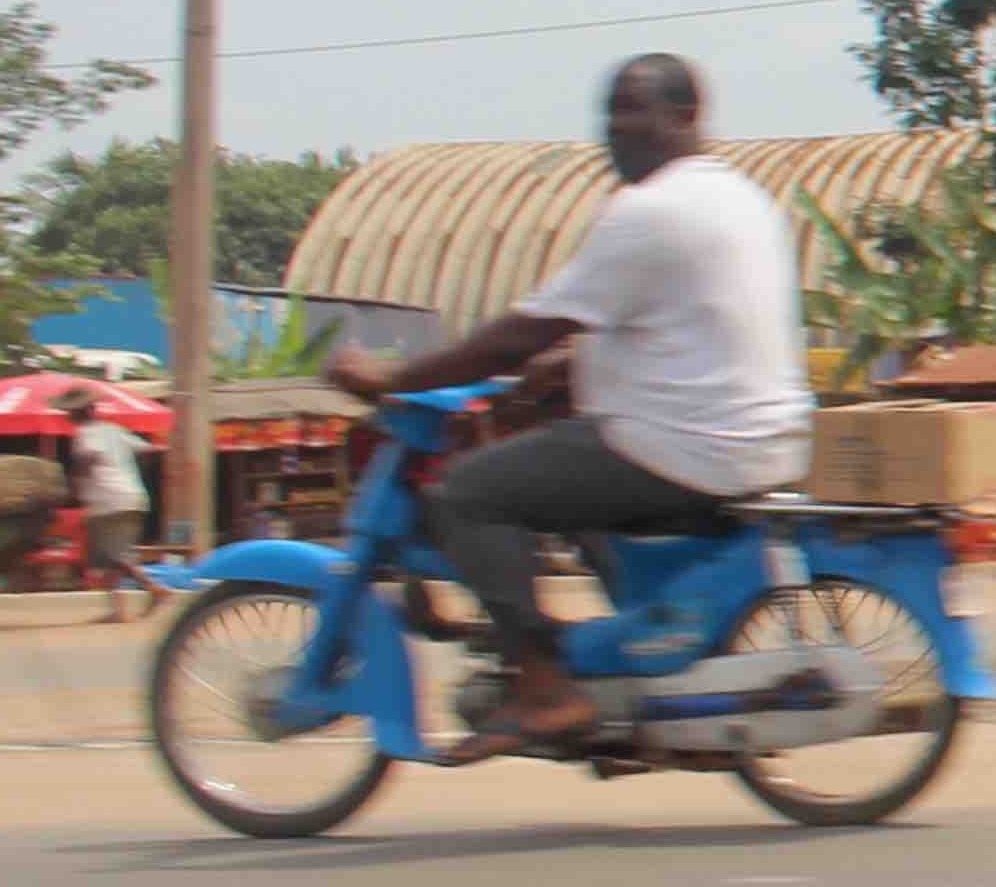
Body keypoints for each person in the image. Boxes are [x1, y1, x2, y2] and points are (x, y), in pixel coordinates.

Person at [327, 56, 811, 759]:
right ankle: (625, 663)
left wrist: (394, 379)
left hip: (686, 446)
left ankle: (544, 688)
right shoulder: (740, 199)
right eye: (610, 112)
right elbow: (682, 330)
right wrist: (561, 370)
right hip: (755, 439)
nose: (616, 128)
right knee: (555, 465)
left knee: (468, 494)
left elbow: (524, 331)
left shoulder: (651, 210)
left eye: (634, 109)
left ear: (685, 116)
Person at [56, 386, 150, 624]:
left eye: (72, 412)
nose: (69, 416)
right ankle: (118, 611)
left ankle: (155, 588)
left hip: (108, 501)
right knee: (108, 559)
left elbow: (89, 458)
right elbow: (145, 449)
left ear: (83, 412)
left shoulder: (85, 434)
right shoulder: (114, 430)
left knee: (113, 556)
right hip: (132, 496)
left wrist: (74, 485)